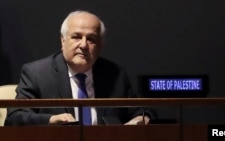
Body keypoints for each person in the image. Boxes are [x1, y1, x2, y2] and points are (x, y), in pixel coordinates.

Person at [4, 10, 156, 126]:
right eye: (76, 37)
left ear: (100, 45)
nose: (83, 45)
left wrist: (141, 119)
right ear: (63, 40)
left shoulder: (114, 75)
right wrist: (51, 120)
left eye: (91, 39)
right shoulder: (37, 74)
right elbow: (15, 118)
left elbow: (143, 111)